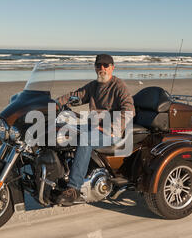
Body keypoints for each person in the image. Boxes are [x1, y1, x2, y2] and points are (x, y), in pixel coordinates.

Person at [55, 54, 135, 206]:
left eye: (106, 65)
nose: (102, 69)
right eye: (99, 65)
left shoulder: (118, 86)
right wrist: (55, 103)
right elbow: (76, 95)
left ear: (112, 67)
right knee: (63, 131)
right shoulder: (93, 86)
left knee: (84, 140)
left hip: (111, 132)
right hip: (94, 127)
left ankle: (74, 189)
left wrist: (113, 128)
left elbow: (129, 108)